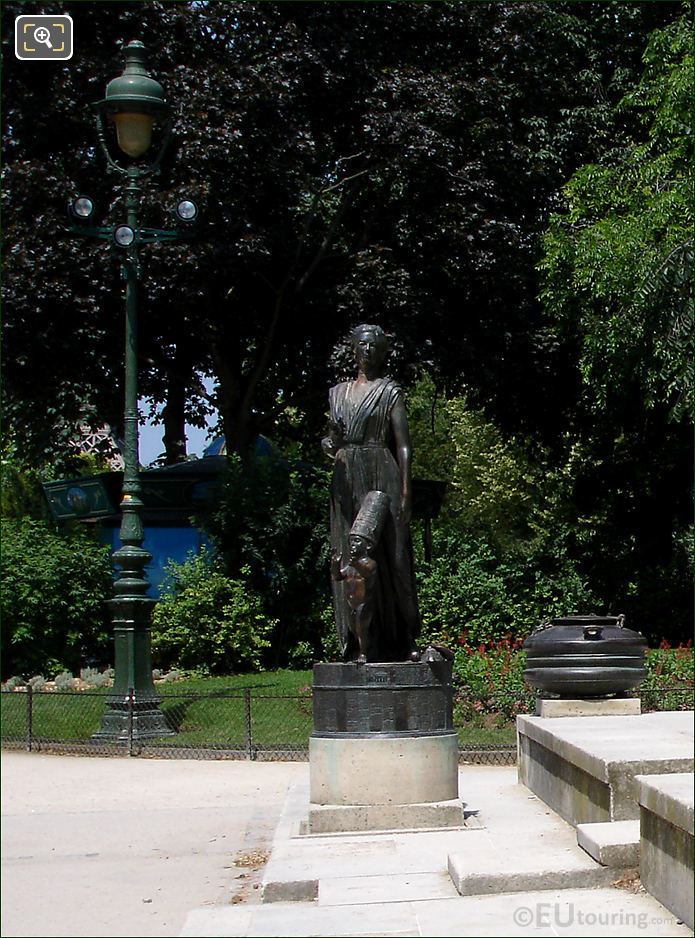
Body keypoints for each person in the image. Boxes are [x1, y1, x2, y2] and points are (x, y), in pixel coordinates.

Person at [322, 324, 421, 662]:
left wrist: (407, 490)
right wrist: (330, 444)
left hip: (383, 470)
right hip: (346, 474)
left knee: (395, 559)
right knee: (347, 558)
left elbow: (404, 445)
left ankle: (405, 634)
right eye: (363, 345)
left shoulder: (389, 391)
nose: (367, 351)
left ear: (382, 352)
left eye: (374, 346)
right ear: (354, 349)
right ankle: (357, 639)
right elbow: (330, 441)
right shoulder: (337, 393)